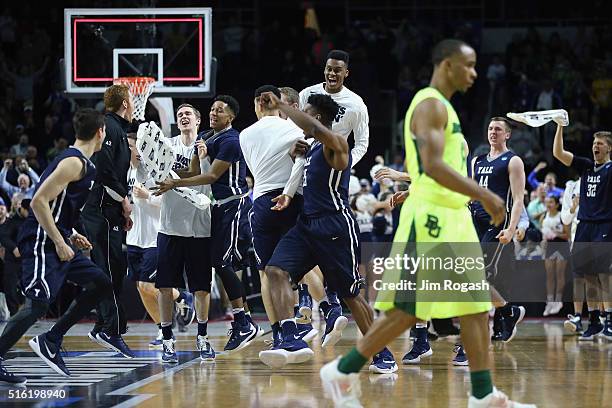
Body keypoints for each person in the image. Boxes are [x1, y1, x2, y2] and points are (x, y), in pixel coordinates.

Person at [319, 39, 535, 408]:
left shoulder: (446, 108)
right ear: (446, 64)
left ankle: (482, 394)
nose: (474, 73)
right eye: (468, 65)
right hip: (432, 219)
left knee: (475, 306)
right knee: (410, 309)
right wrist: (485, 195)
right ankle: (342, 369)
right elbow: (432, 165)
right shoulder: (430, 104)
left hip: (453, 217)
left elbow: (432, 170)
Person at [258, 92, 397, 374]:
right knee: (275, 270)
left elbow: (314, 129)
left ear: (317, 117)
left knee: (351, 295)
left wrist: (282, 106)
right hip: (307, 224)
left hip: (336, 226)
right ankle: (290, 337)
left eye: (305, 111)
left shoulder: (337, 143)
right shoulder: (309, 148)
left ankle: (381, 351)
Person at [0, 109, 112, 384]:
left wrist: (70, 234)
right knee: (37, 304)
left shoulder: (84, 164)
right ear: (100, 132)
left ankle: (52, 339)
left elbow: (57, 206)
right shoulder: (73, 163)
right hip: (42, 240)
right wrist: (60, 242)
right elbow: (38, 201)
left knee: (101, 283)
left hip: (59, 236)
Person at [156, 96, 258, 353]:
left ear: (230, 116)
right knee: (217, 263)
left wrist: (174, 183)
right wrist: (169, 177)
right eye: (212, 108)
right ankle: (239, 320)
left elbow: (211, 175)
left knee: (222, 263)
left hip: (234, 204)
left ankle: (243, 320)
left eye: (219, 110)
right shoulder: (207, 137)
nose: (214, 112)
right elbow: (193, 170)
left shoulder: (232, 140)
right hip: (212, 211)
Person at [239, 85, 317, 346]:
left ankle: (278, 332)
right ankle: (324, 307)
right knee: (302, 264)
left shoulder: (245, 135)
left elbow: (255, 168)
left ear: (257, 105)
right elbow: (301, 162)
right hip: (292, 199)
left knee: (267, 273)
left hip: (261, 202)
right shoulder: (295, 130)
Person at [125, 133, 194, 350]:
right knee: (140, 288)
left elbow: (171, 201)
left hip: (156, 236)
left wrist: (148, 195)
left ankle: (182, 297)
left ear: (141, 148)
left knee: (149, 284)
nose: (127, 149)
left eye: (130, 146)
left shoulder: (156, 170)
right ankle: (164, 332)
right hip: (134, 236)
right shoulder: (126, 172)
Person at [81, 84, 134, 358]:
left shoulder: (118, 130)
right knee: (110, 270)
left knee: (115, 268)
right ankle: (108, 330)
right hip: (100, 208)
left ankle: (106, 325)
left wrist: (120, 207)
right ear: (125, 103)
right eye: (133, 100)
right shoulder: (109, 127)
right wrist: (123, 200)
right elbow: (104, 170)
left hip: (108, 210)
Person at [552, 123, 612, 341]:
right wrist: (559, 126)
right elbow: (558, 153)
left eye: (600, 144)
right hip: (584, 225)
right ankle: (594, 321)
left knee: (604, 274)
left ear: (609, 148)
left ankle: (610, 320)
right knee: (587, 276)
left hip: (605, 225)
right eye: (594, 143)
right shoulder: (586, 166)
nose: (595, 146)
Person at [470, 117, 526, 343]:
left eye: (498, 129)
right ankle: (506, 314)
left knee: (475, 274)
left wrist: (512, 229)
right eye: (490, 128)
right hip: (475, 222)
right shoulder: (477, 161)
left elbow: (519, 198)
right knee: (491, 277)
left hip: (497, 223)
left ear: (507, 134)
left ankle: (503, 314)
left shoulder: (513, 161)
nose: (493, 132)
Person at [299, 50, 369, 167]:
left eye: (337, 70)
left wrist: (346, 165)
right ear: (324, 70)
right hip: (304, 160)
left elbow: (362, 143)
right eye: (329, 69)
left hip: (332, 163)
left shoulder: (356, 104)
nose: (332, 73)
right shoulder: (307, 93)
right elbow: (292, 125)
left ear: (346, 73)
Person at [540, 195, 569, 316]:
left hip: (561, 246)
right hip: (550, 247)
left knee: (559, 273)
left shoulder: (561, 217)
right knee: (550, 275)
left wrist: (555, 233)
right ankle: (550, 301)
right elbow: (544, 235)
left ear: (557, 204)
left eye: (551, 202)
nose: (548, 204)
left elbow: (567, 235)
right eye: (547, 202)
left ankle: (558, 300)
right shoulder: (544, 216)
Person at [0, 197, 29, 315]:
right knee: (10, 288)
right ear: (21, 209)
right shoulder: (12, 221)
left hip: (27, 260)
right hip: (12, 260)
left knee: (27, 288)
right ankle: (14, 313)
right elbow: (3, 237)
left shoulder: (32, 220)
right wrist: (14, 248)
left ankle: (25, 312)